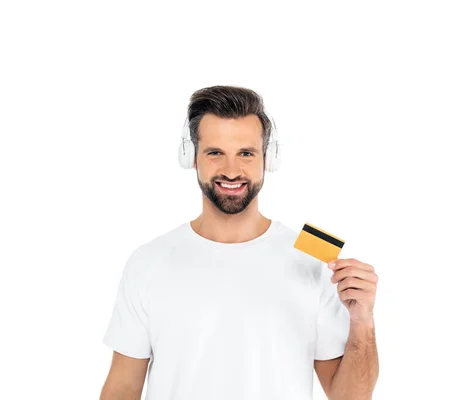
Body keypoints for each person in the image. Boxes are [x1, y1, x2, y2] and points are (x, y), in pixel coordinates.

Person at [99, 85, 379, 400]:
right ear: (191, 157)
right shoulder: (149, 261)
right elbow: (122, 387)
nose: (232, 171)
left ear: (268, 158)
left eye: (246, 153)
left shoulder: (313, 258)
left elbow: (350, 398)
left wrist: (362, 322)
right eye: (215, 152)